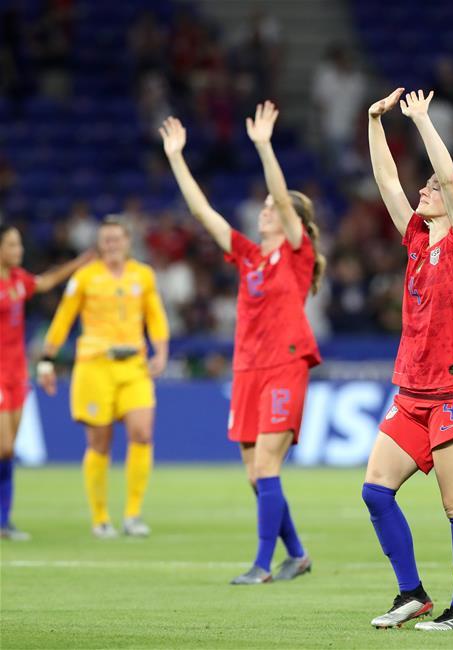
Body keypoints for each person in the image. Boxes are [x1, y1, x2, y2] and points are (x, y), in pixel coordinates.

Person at [160, 101, 324, 584]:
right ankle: (297, 553)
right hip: (248, 367)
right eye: (267, 208)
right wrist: (176, 157)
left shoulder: (297, 251)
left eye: (274, 207)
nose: (266, 210)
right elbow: (201, 210)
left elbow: (278, 190)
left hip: (285, 364)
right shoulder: (248, 256)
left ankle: (261, 564)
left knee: (268, 466)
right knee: (256, 475)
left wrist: (264, 145)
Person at [364, 88, 453, 632]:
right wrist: (374, 121)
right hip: (411, 394)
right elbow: (388, 181)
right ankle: (412, 593)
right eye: (428, 186)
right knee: (375, 490)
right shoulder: (417, 238)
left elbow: (450, 178)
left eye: (435, 187)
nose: (425, 189)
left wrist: (422, 121)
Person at [38, 217, 169, 539]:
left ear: (128, 242)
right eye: (105, 240)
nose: (111, 245)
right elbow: (63, 318)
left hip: (133, 365)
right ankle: (100, 517)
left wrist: (162, 352)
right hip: (95, 365)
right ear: (99, 245)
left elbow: (156, 316)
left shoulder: (143, 275)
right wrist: (47, 359)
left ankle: (133, 514)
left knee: (142, 433)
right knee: (99, 442)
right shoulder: (85, 277)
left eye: (116, 239)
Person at [0, 225, 92, 540]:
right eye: (12, 244)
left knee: (8, 453)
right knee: (5, 445)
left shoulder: (18, 281)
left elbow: (46, 282)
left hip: (17, 373)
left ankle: (4, 521)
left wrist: (78, 263)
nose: (18, 249)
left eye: (19, 243)